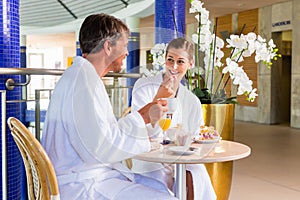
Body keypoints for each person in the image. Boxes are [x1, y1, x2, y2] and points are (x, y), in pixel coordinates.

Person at [41, 13, 178, 200]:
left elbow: (100, 136)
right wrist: (142, 117)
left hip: (88, 175)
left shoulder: (82, 76)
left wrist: (143, 115)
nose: (127, 52)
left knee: (161, 186)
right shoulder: (83, 84)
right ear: (108, 46)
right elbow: (100, 148)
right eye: (124, 45)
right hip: (82, 185)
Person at [131, 38, 217, 200]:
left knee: (198, 174)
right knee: (158, 182)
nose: (174, 67)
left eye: (180, 62)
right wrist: (158, 99)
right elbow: (138, 129)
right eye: (170, 60)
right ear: (165, 59)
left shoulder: (192, 101)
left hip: (181, 158)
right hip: (150, 158)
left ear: (190, 64)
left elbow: (195, 137)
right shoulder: (143, 86)